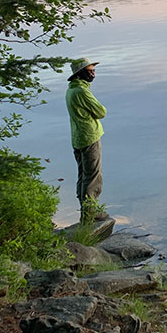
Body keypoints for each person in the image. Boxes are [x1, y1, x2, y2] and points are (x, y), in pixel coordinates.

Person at [66, 57, 106, 221]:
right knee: (93, 176)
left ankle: (86, 211)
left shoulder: (71, 90)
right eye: (90, 71)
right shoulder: (82, 91)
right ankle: (91, 213)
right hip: (89, 137)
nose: (93, 75)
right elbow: (101, 112)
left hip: (78, 138)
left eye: (94, 71)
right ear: (80, 73)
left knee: (83, 175)